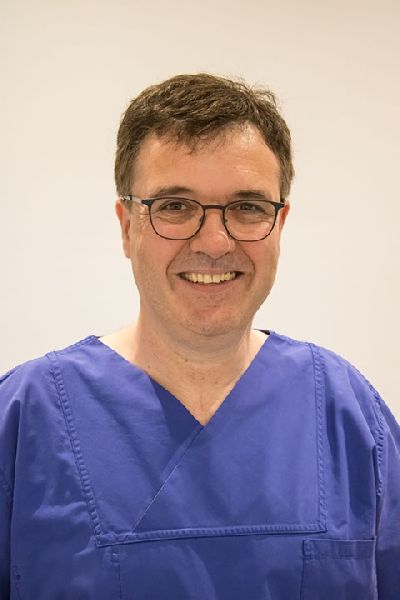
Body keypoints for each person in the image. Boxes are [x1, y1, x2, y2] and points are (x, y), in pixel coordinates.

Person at [0, 73, 399, 600]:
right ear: (126, 226)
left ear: (280, 224)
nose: (214, 242)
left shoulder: (349, 415)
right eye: (175, 206)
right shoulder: (26, 417)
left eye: (248, 207)